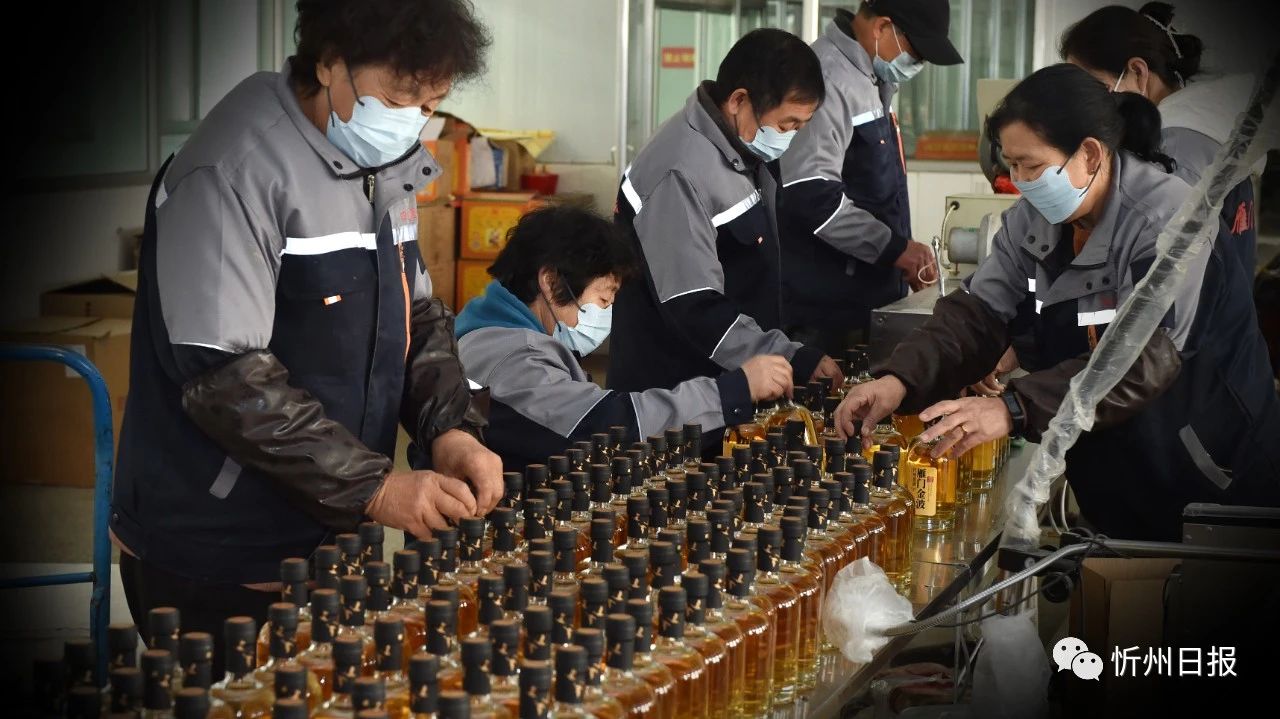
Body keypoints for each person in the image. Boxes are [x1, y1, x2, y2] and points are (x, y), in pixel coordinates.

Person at [112, 0, 503, 660]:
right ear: (329, 64)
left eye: (431, 103)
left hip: (331, 534)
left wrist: (450, 429)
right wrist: (375, 488)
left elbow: (416, 314)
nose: (412, 120)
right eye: (397, 99)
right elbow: (225, 380)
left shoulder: (384, 161)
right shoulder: (233, 170)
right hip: (219, 549)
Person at [834, 64, 1280, 542]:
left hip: (1207, 473)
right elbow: (975, 314)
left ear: (1090, 153)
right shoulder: (1033, 221)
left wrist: (1013, 409)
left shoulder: (1168, 223)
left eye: (1032, 167)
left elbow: (1143, 360)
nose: (1020, 181)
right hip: (1115, 470)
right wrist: (899, 380)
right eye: (1011, 165)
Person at [610, 28, 844, 457]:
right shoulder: (680, 169)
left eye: (800, 126)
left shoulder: (742, 150)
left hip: (732, 385)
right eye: (786, 124)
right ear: (738, 101)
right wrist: (787, 356)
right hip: (678, 405)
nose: (790, 136)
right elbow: (694, 306)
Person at [455, 206, 794, 470]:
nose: (606, 314)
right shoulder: (513, 357)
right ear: (551, 281)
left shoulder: (489, 333)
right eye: (603, 299)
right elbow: (609, 426)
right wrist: (731, 392)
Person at [779, 0, 961, 353]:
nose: (918, 65)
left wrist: (903, 252)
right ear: (881, 28)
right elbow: (811, 196)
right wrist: (895, 249)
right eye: (916, 53)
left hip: (865, 297)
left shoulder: (871, 79)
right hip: (823, 309)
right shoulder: (828, 78)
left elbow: (873, 189)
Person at [1061, 1, 1260, 277]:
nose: (1085, 104)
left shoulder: (1176, 147)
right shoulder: (1210, 126)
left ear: (1138, 72)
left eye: (1093, 89)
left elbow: (1157, 267)